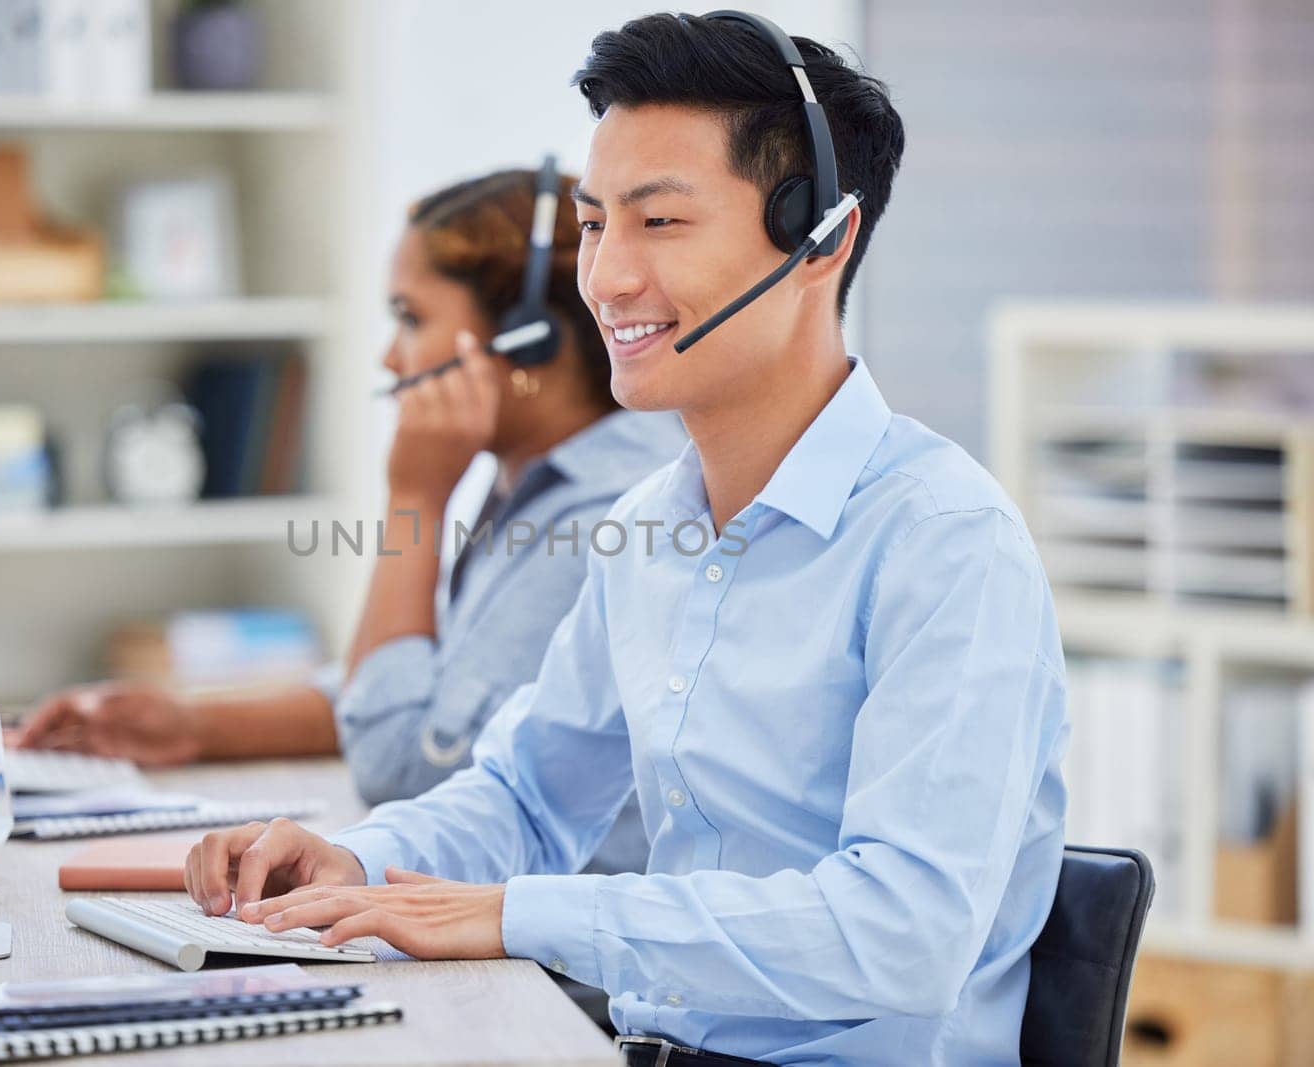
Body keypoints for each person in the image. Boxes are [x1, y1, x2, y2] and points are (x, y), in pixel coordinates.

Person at [180, 12, 1069, 1066]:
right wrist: (354, 861)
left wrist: (520, 913)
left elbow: (903, 932)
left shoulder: (944, 545)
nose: (603, 278)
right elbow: (526, 790)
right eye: (597, 224)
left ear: (820, 237)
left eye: (659, 224)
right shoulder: (647, 524)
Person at [18, 165, 686, 876]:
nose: (389, 356)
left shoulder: (602, 513)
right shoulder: (531, 482)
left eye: (411, 317)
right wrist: (186, 725)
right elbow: (403, 692)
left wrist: (414, 501)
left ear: (528, 340)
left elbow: (400, 759)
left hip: (558, 970)